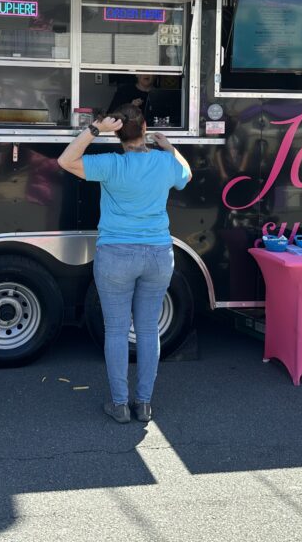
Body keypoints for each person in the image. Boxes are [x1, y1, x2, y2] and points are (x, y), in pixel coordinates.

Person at [58, 104, 191, 424]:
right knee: (148, 329)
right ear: (144, 128)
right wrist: (170, 147)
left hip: (116, 256)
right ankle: (143, 404)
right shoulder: (164, 162)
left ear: (116, 133)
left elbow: (66, 160)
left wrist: (95, 130)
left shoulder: (111, 164)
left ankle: (119, 404)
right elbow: (186, 175)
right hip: (158, 255)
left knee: (117, 331)